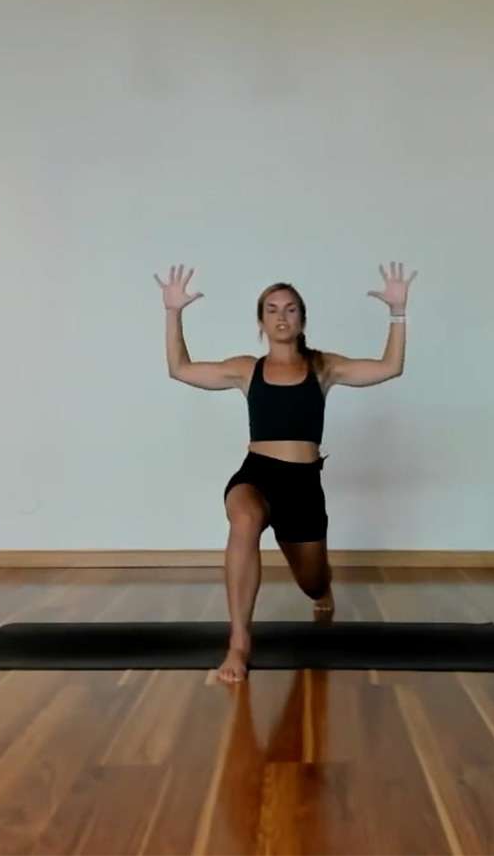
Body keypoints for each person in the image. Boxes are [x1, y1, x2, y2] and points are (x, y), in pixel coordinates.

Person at [154, 262, 417, 683]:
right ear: (261, 321)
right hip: (256, 475)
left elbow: (390, 367)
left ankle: (322, 587)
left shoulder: (322, 367)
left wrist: (398, 312)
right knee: (243, 518)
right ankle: (239, 642)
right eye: (272, 309)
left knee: (312, 582)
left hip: (303, 486)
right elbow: (180, 368)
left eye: (291, 309)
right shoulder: (246, 369)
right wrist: (173, 312)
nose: (281, 316)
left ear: (302, 319)